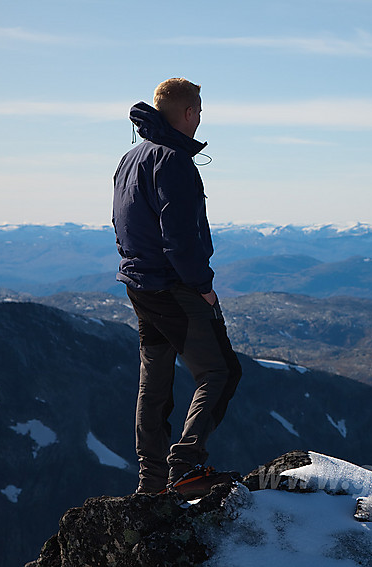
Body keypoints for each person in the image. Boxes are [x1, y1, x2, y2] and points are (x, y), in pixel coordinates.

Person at [112, 77, 242, 494]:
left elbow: (122, 223)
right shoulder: (174, 161)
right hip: (175, 288)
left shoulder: (131, 158)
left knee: (155, 382)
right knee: (220, 372)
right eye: (199, 112)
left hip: (140, 287)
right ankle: (185, 467)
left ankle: (151, 483)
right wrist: (202, 285)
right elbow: (181, 237)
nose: (200, 119)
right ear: (188, 113)